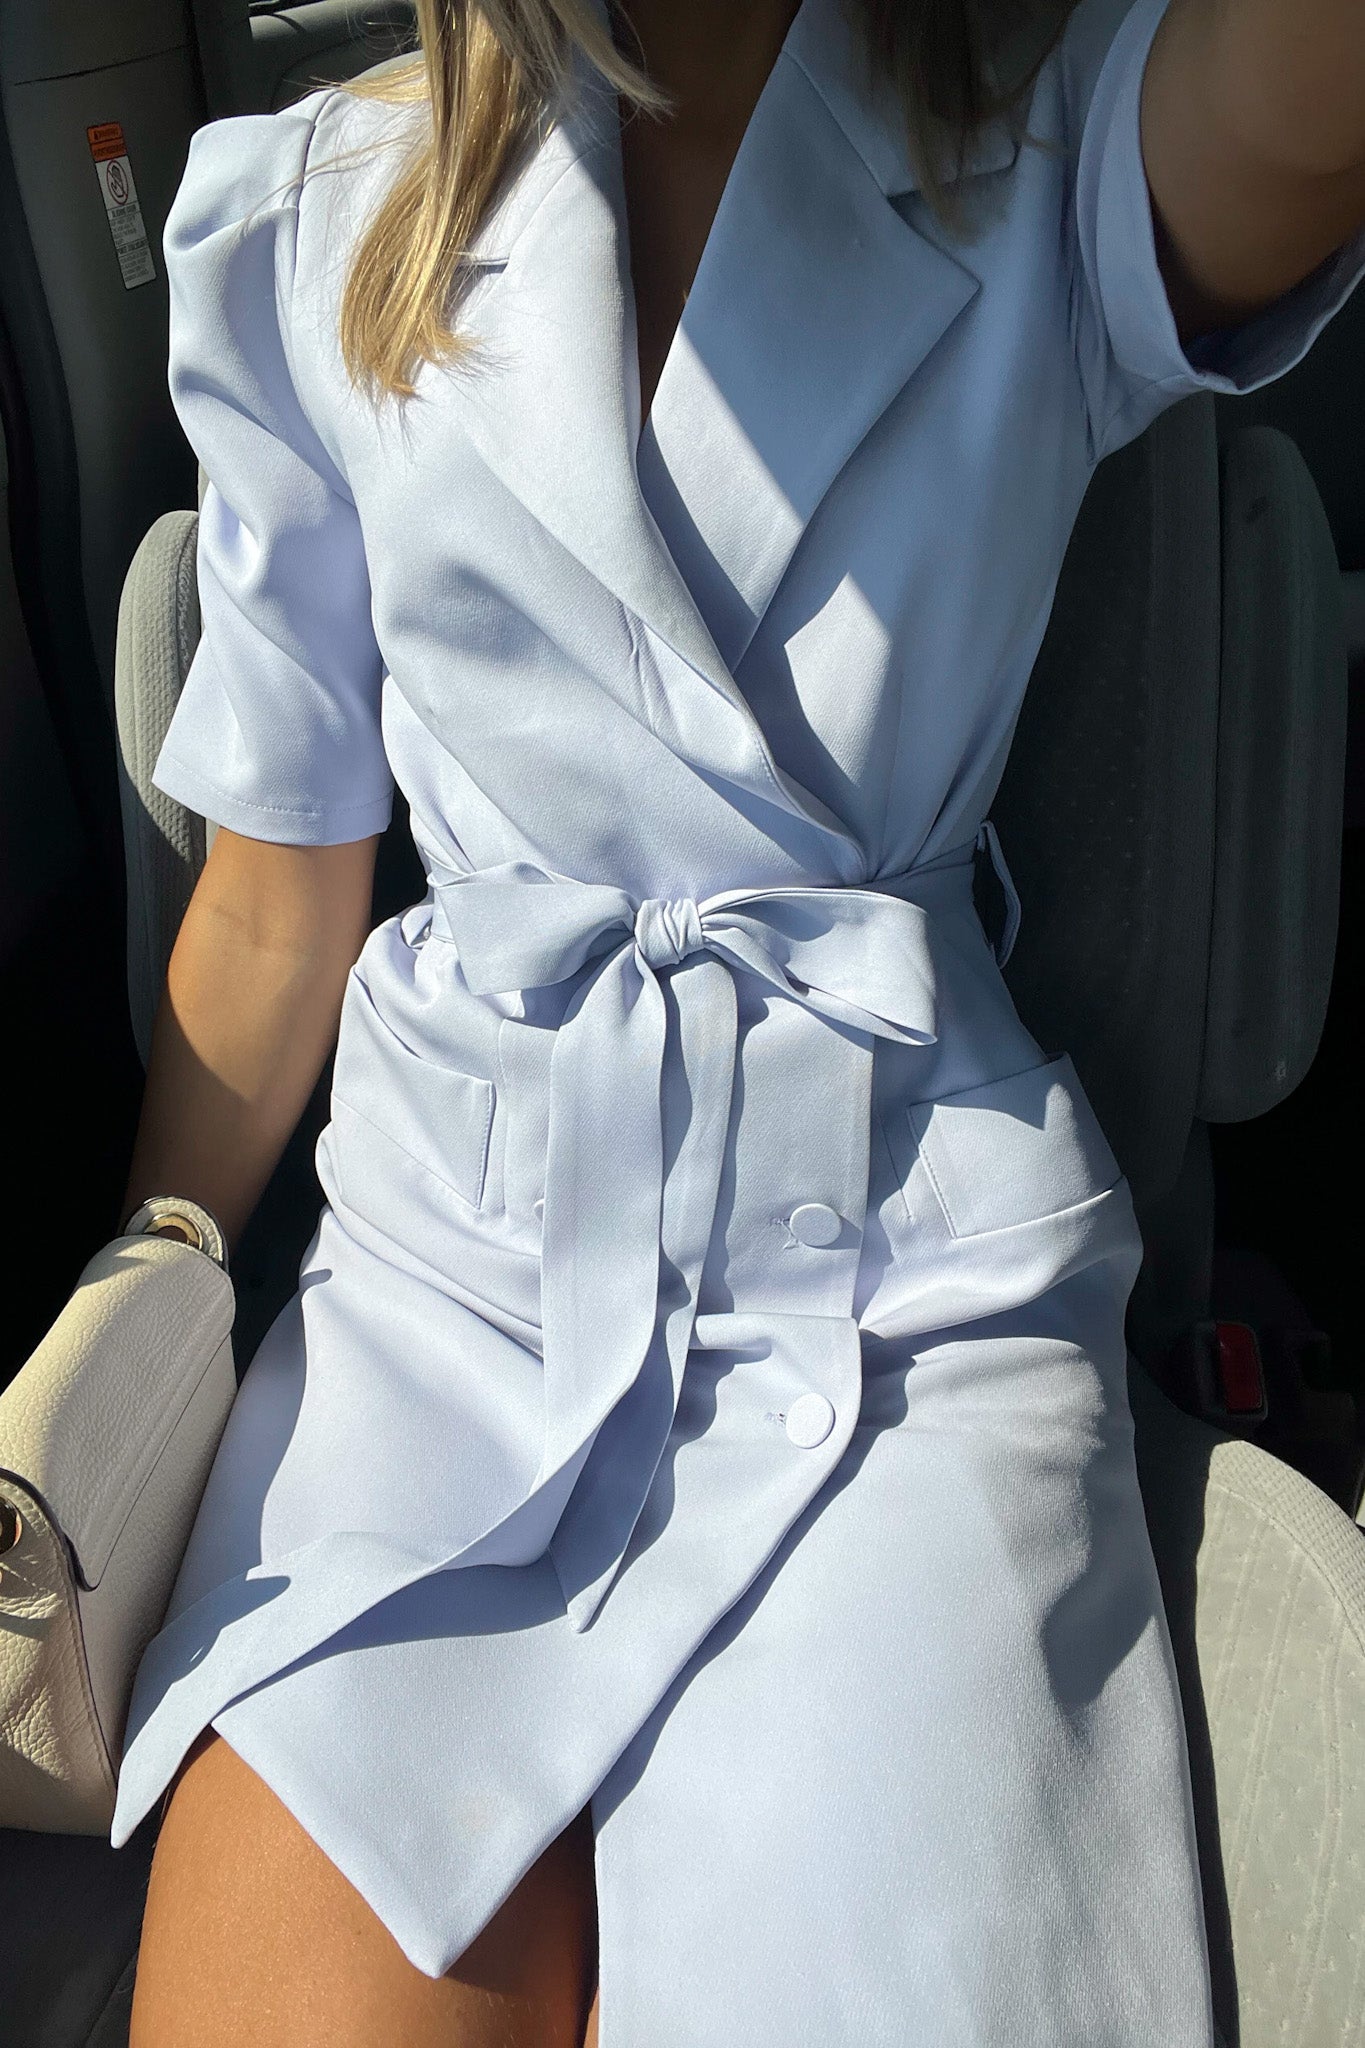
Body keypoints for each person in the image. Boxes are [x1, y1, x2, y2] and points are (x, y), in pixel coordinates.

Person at [110, 0, 1365, 2040]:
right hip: (440, 1293)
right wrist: (141, 1296)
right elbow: (272, 908)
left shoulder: (1060, 138)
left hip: (895, 1289)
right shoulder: (309, 209)